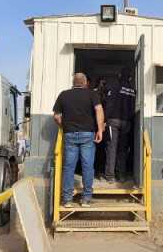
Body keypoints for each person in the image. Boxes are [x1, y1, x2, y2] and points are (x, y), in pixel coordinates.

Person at [53, 73, 104, 207]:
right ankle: (86, 198)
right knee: (87, 166)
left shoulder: (64, 94)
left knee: (69, 166)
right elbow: (99, 110)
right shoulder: (92, 94)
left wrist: (65, 127)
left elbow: (57, 116)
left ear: (73, 82)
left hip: (70, 134)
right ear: (86, 82)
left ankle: (67, 199)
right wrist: (99, 130)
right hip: (88, 134)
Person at [102, 72, 136, 182]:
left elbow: (109, 105)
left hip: (113, 121)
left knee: (111, 148)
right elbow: (133, 108)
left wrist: (105, 120)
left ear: (120, 76)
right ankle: (121, 176)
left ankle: (110, 176)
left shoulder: (114, 87)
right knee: (122, 149)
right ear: (130, 78)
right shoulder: (132, 91)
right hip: (126, 122)